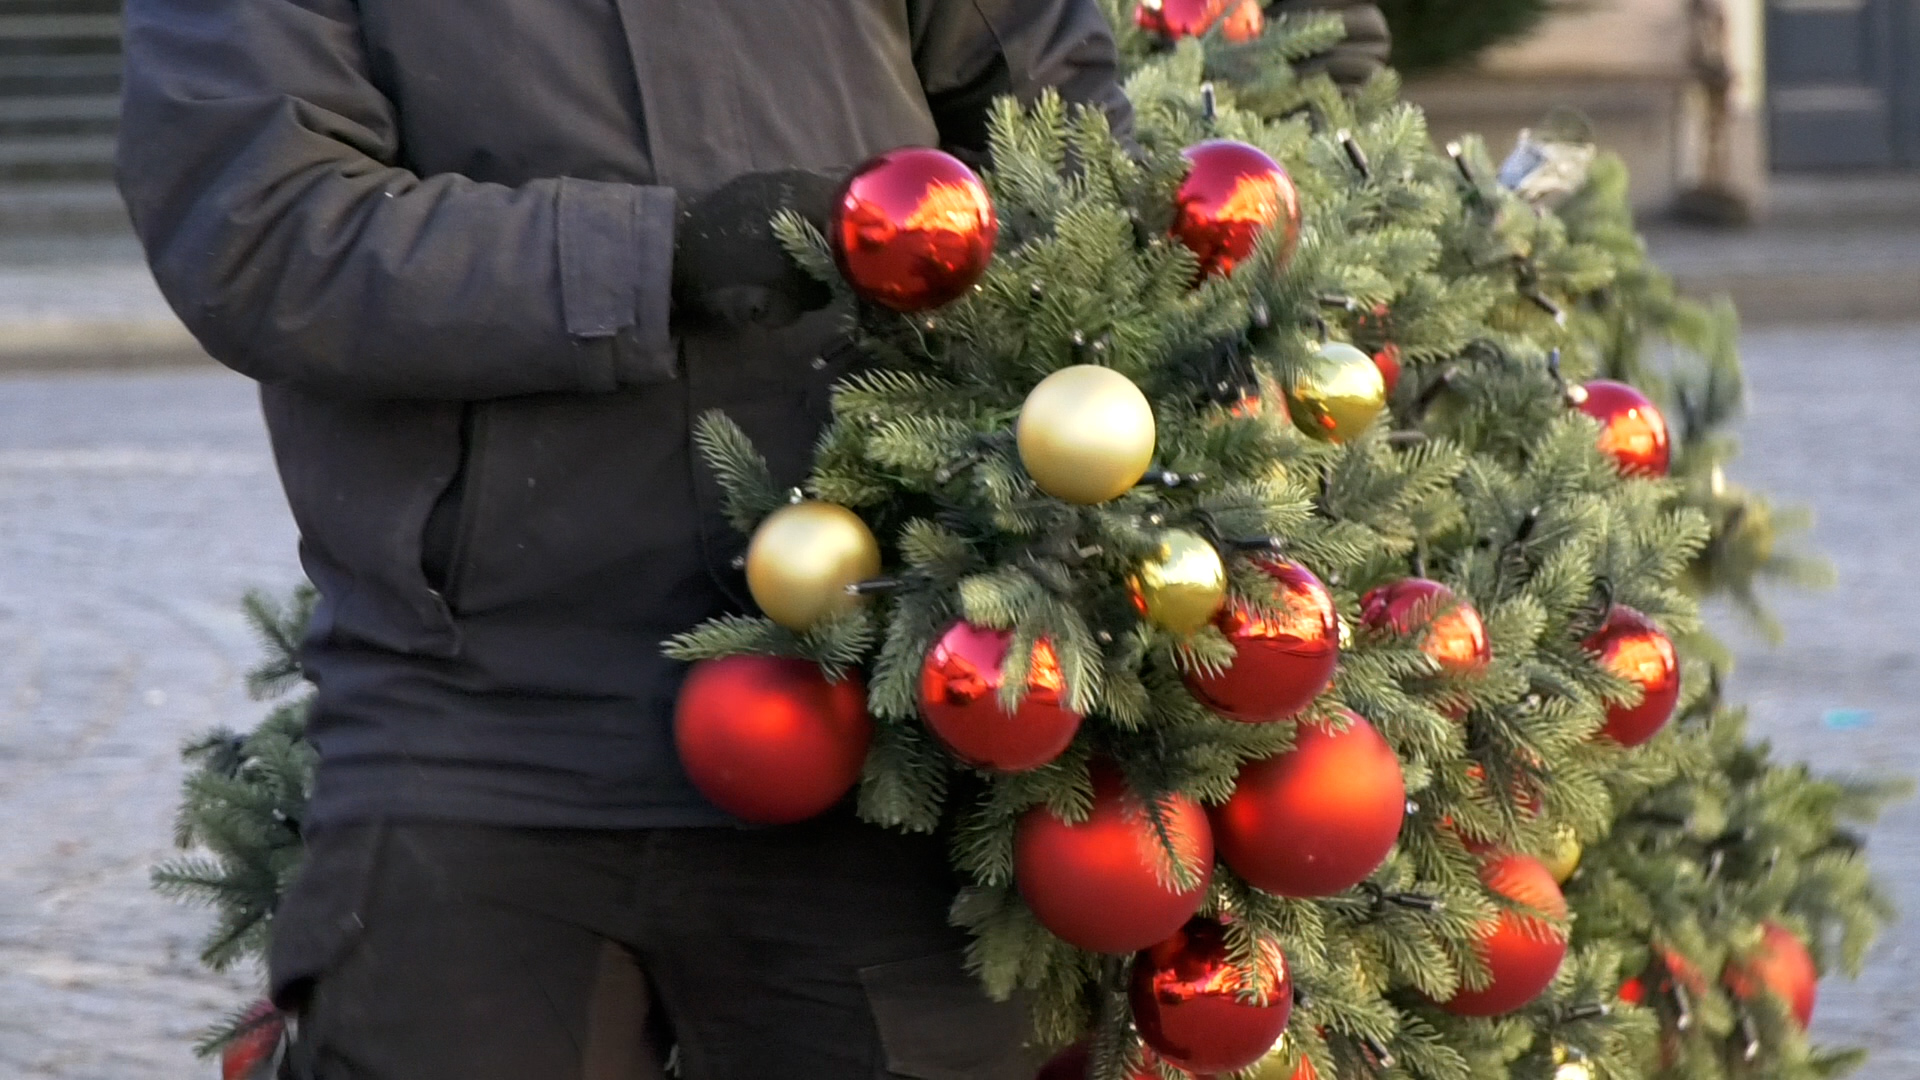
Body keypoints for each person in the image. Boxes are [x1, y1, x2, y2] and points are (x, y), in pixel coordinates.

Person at [116, 2, 1387, 1077]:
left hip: (881, 710)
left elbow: (1053, 144)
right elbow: (262, 228)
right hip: (479, 731)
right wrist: (654, 257)